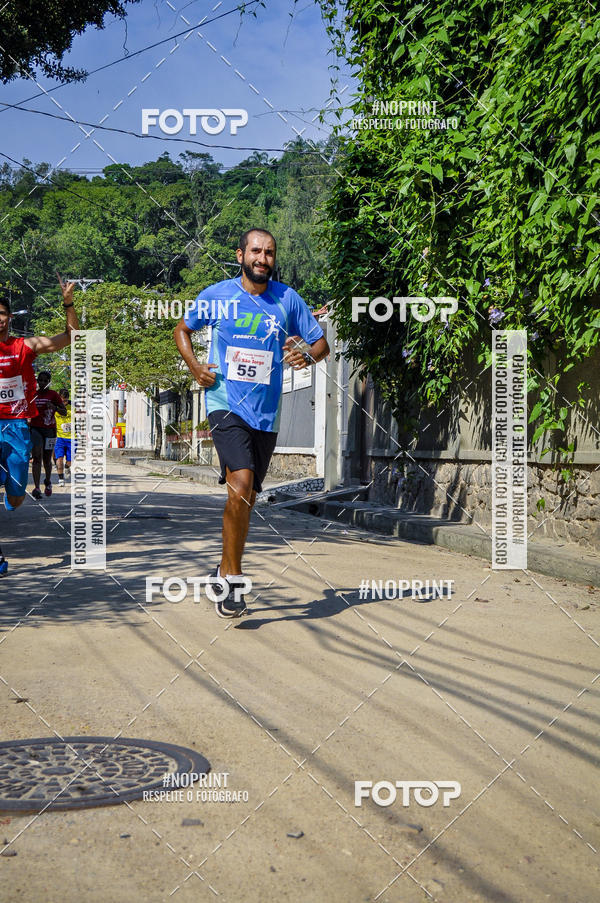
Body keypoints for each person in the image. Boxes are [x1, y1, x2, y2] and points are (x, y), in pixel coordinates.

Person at [174, 228, 329, 618]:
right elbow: (182, 330)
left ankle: (223, 569)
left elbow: (321, 343)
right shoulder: (218, 296)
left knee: (247, 498)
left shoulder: (287, 299)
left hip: (266, 412)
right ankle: (234, 582)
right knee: (240, 485)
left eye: (270, 253)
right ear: (241, 254)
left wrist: (307, 356)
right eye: (256, 251)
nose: (263, 258)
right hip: (225, 403)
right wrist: (195, 367)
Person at [0, 275, 79, 575]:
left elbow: (70, 338)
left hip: (18, 425)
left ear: (9, 318)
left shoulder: (25, 346)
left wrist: (68, 303)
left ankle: (13, 494)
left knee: (17, 496)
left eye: (2, 313)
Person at [29, 370, 66, 499]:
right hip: (35, 429)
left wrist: (55, 408)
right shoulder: (33, 394)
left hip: (50, 430)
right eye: (41, 380)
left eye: (45, 380)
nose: (43, 382)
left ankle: (48, 481)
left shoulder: (53, 395)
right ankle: (37, 487)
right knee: (37, 457)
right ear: (37, 381)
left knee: (47, 459)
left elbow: (64, 412)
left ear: (49, 382)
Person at [54, 387, 72, 486]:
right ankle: (61, 479)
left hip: (72, 437)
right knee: (59, 458)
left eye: (65, 400)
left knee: (70, 460)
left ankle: (67, 467)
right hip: (59, 437)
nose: (63, 402)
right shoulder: (55, 407)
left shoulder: (73, 406)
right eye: (61, 400)